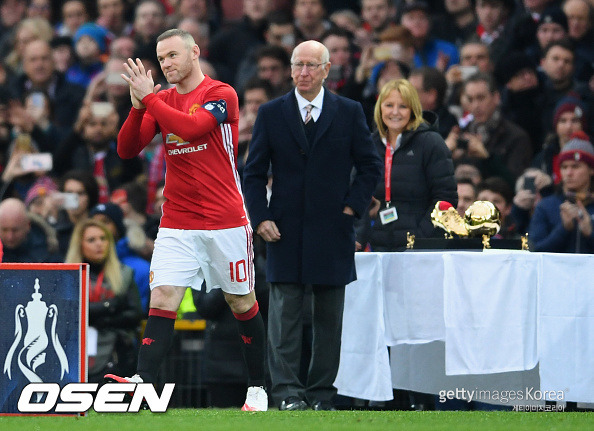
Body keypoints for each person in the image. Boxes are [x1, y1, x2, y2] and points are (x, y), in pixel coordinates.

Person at [105, 28, 269, 412]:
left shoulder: (220, 93)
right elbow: (127, 149)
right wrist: (137, 107)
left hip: (225, 218)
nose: (166, 64)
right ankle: (142, 383)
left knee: (241, 302)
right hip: (177, 220)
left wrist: (150, 101)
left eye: (173, 56)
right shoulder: (159, 98)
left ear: (194, 52)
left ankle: (258, 388)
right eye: (161, 59)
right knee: (163, 296)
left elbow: (192, 128)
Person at [243, 40, 381, 411]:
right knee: (283, 316)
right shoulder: (272, 113)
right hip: (283, 230)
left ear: (326, 69)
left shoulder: (349, 111)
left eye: (311, 65)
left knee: (328, 318)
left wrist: (352, 209)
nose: (303, 72)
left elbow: (370, 166)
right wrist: (261, 218)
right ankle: (287, 393)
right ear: (290, 70)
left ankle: (321, 394)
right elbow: (253, 173)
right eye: (297, 65)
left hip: (333, 229)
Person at [358, 78, 457, 251]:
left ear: (413, 109)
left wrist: (420, 237)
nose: (395, 112)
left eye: (403, 106)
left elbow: (446, 198)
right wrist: (361, 236)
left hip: (422, 248)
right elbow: (356, 193)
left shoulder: (431, 142)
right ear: (379, 108)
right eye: (389, 105)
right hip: (380, 246)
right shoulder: (369, 145)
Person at [65, 218, 143, 383]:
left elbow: (135, 314)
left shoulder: (124, 273)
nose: (99, 244)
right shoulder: (68, 277)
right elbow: (68, 314)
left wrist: (97, 317)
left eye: (103, 238)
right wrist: (110, 306)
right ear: (80, 244)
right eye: (91, 240)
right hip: (74, 351)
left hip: (117, 352)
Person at [529, 134, 594, 252]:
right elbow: (535, 252)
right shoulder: (545, 206)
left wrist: (590, 234)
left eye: (575, 166)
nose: (568, 173)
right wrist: (563, 229)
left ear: (591, 169)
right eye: (564, 167)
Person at [0, 197, 62, 262]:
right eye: (4, 230)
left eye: (15, 230)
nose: (10, 236)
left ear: (28, 225)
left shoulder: (48, 247)